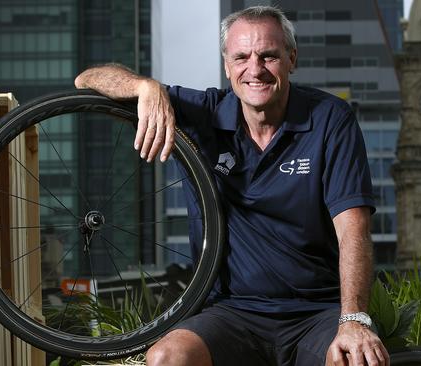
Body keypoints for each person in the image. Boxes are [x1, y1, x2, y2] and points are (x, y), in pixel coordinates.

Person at [74, 6, 389, 366]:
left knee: (353, 360)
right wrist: (144, 87)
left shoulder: (331, 119)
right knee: (166, 358)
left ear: (292, 59)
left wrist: (352, 321)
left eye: (268, 56)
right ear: (227, 65)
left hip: (317, 313)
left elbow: (354, 230)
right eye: (242, 57)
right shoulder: (204, 114)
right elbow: (87, 78)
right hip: (230, 313)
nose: (254, 69)